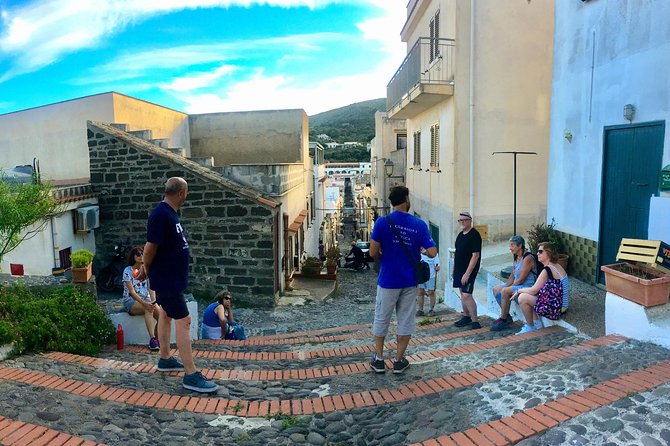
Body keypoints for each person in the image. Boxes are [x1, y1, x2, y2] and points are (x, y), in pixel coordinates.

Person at [140, 177, 218, 393]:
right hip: (167, 280)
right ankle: (191, 374)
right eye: (187, 192)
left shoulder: (169, 214)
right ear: (181, 193)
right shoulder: (161, 214)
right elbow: (149, 248)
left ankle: (165, 358)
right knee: (184, 321)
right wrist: (147, 270)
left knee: (165, 313)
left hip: (171, 278)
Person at [369, 186, 436, 374]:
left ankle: (379, 360)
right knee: (405, 320)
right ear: (406, 200)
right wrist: (419, 249)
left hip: (388, 280)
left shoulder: (382, 223)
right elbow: (432, 252)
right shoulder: (419, 224)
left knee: (382, 318)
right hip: (409, 281)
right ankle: (398, 361)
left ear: (392, 201)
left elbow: (373, 252)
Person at [513, 242, 569, 335]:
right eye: (537, 251)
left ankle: (530, 326)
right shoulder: (556, 265)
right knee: (530, 295)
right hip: (561, 304)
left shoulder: (547, 270)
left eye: (540, 251)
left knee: (522, 298)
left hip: (557, 307)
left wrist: (518, 290)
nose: (537, 254)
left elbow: (534, 290)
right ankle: (537, 324)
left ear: (549, 253)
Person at [490, 235, 537, 331]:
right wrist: (506, 286)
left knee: (505, 291)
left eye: (512, 245)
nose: (510, 248)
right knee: (496, 289)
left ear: (520, 246)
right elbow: (512, 276)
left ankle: (503, 319)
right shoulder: (517, 257)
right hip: (518, 284)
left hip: (526, 286)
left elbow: (521, 280)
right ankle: (507, 317)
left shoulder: (527, 258)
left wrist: (507, 289)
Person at [122, 246, 160, 350]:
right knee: (148, 308)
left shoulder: (147, 270)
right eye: (138, 254)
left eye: (142, 254)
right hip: (131, 301)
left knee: (162, 315)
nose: (141, 256)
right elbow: (132, 292)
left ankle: (157, 338)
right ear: (133, 257)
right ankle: (152, 339)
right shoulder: (128, 271)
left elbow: (151, 288)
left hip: (146, 299)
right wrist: (146, 304)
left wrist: (153, 301)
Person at [452, 212, 482, 330]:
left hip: (469, 270)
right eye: (460, 220)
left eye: (464, 220)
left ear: (470, 220)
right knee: (462, 293)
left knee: (467, 294)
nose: (462, 222)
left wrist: (467, 273)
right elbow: (457, 253)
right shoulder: (460, 235)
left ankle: (475, 320)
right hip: (459, 269)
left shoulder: (474, 235)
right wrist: (454, 268)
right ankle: (466, 316)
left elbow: (475, 256)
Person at [416, 247, 441, 317]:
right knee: (420, 292)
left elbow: (438, 265)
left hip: (431, 275)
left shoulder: (433, 253)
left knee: (431, 292)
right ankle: (420, 310)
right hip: (421, 276)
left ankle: (431, 309)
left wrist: (437, 267)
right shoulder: (418, 253)